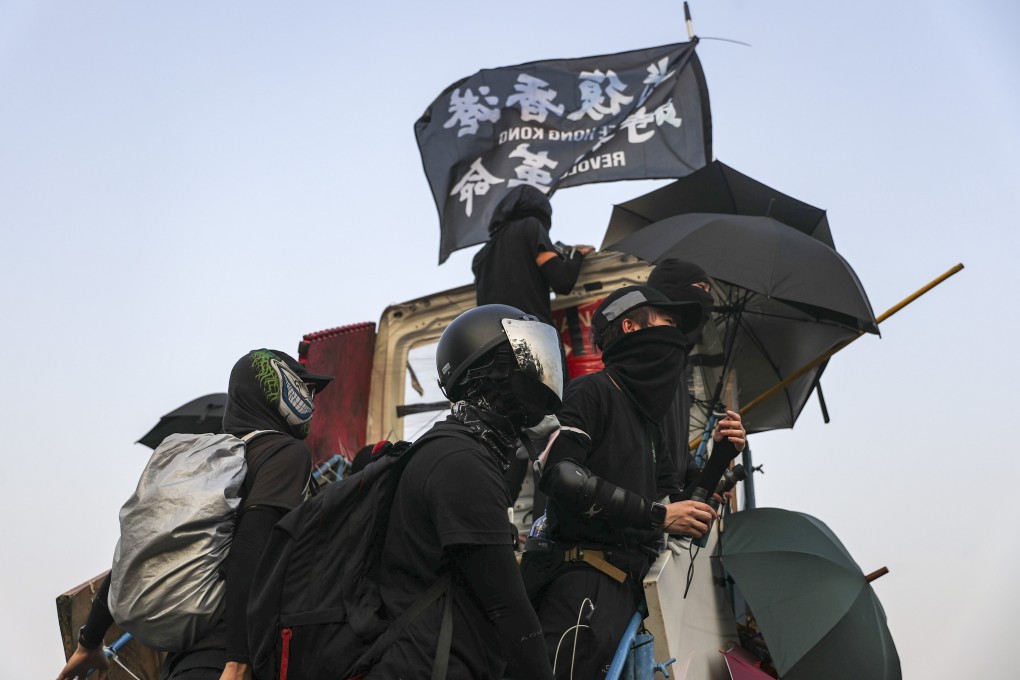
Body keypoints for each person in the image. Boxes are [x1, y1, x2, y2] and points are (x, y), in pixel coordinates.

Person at [57, 349, 333, 680]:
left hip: (183, 662)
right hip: (236, 659)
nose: (310, 399)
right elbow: (250, 546)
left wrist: (89, 641)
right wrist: (238, 661)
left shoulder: (203, 462)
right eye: (305, 387)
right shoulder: (283, 452)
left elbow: (139, 548)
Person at [521, 285, 746, 679]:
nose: (677, 336)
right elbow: (561, 475)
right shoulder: (591, 391)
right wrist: (658, 516)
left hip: (628, 595)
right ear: (630, 326)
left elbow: (680, 509)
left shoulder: (648, 423)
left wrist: (720, 457)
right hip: (581, 589)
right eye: (667, 322)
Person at [366, 304, 562, 680]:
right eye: (527, 360)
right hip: (431, 667)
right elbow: (508, 607)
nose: (540, 374)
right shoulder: (460, 461)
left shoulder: (459, 449)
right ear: (490, 375)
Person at [471, 184, 593, 328]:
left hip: (493, 336)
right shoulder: (530, 226)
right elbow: (562, 281)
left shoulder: (480, 257)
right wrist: (576, 254)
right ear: (541, 210)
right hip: (532, 333)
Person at [647, 259, 717, 492]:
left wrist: (700, 476)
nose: (708, 298)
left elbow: (675, 443)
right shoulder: (647, 362)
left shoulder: (678, 367)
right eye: (700, 288)